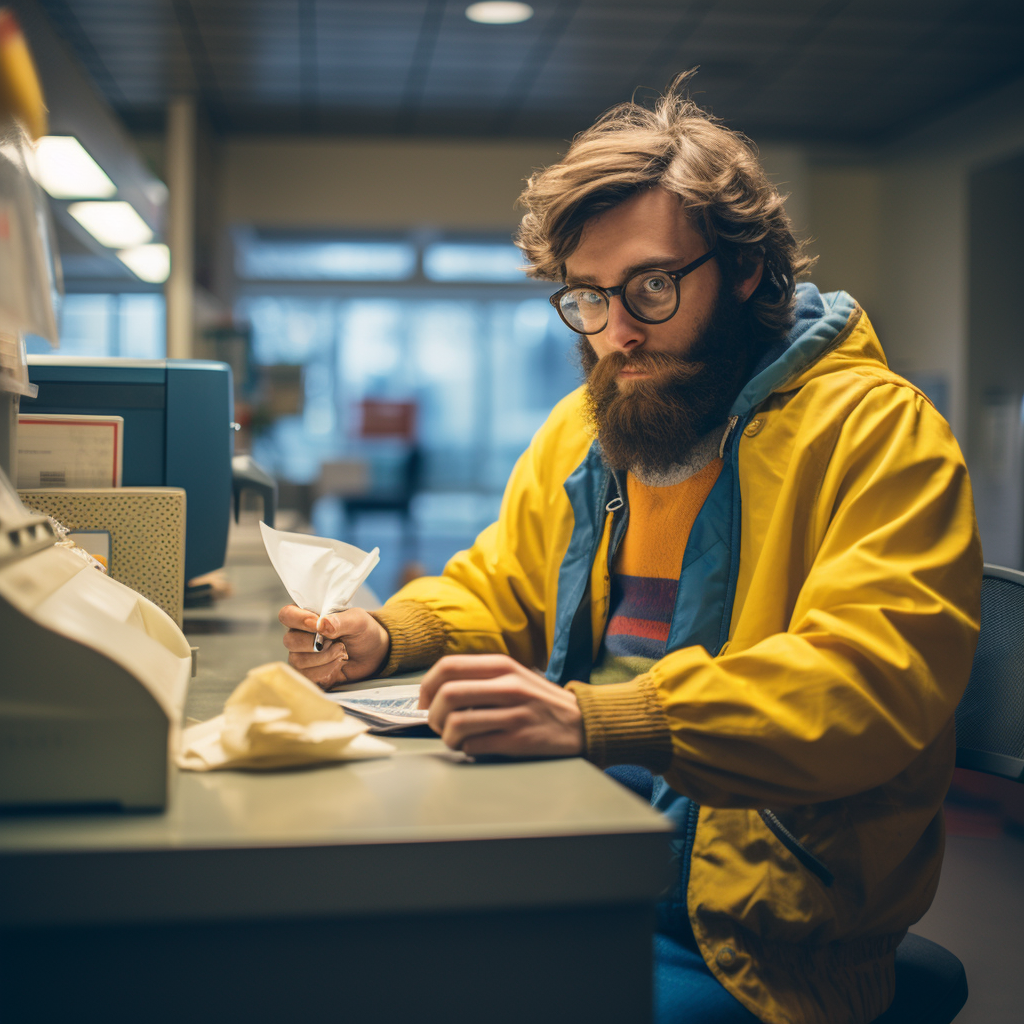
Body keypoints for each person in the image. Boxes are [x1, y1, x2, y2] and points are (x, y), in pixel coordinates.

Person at [278, 73, 981, 1024]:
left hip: (757, 944)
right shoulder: (587, 429)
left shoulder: (877, 434)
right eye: (588, 299)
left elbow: (867, 684)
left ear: (744, 270)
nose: (618, 334)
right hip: (567, 871)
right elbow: (503, 586)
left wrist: (601, 721)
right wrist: (387, 635)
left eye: (651, 286)